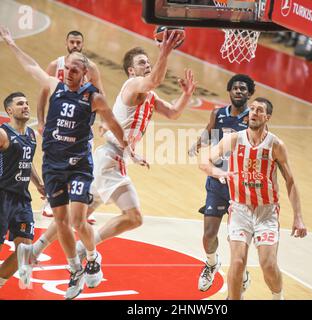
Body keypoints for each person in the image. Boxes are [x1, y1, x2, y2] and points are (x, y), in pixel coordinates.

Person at [15, 30, 196, 289]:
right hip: (108, 160)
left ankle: (37, 250)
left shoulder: (150, 97)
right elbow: (154, 79)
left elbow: (174, 113)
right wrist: (164, 52)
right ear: (131, 72)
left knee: (78, 217)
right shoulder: (134, 86)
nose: (146, 64)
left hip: (112, 160)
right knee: (130, 216)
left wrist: (187, 95)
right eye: (141, 62)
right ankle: (83, 249)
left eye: (148, 61)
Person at [0, 26, 146, 300]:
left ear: (85, 74)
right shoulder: (56, 87)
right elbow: (32, 67)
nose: (68, 73)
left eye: (74, 70)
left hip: (79, 165)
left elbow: (114, 126)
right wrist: (10, 43)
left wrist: (130, 151)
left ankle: (91, 257)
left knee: (78, 220)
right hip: (53, 166)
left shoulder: (94, 97)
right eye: (66, 68)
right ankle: (75, 269)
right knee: (61, 221)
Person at [199, 97, 307, 300]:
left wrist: (298, 217)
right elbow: (204, 160)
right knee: (237, 262)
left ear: (267, 117)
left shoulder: (275, 145)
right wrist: (217, 172)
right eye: (252, 109)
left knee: (268, 265)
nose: (254, 113)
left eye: (259, 110)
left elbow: (290, 181)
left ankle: (278, 296)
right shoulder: (234, 139)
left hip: (266, 211)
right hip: (240, 209)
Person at [188, 74, 255, 293]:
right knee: (209, 234)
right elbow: (209, 132)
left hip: (241, 186)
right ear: (229, 91)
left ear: (249, 93)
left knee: (236, 238)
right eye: (235, 88)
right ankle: (211, 263)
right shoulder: (218, 114)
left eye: (243, 89)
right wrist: (197, 145)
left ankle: (241, 271)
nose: (239, 91)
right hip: (217, 182)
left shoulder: (253, 118)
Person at [39, 30, 104, 223]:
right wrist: (41, 121)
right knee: (55, 162)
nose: (75, 45)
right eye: (72, 42)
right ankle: (50, 201)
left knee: (81, 163)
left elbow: (101, 93)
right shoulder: (55, 65)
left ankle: (78, 206)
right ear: (66, 43)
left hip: (82, 123)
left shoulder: (90, 67)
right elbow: (43, 94)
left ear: (82, 44)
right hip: (58, 122)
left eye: (78, 42)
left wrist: (105, 120)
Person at [0, 92, 44, 288]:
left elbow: (26, 162)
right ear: (9, 110)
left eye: (27, 103)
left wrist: (38, 184)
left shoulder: (31, 135)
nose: (26, 106)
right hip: (2, 196)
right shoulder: (3, 134)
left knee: (25, 249)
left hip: (21, 198)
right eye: (20, 104)